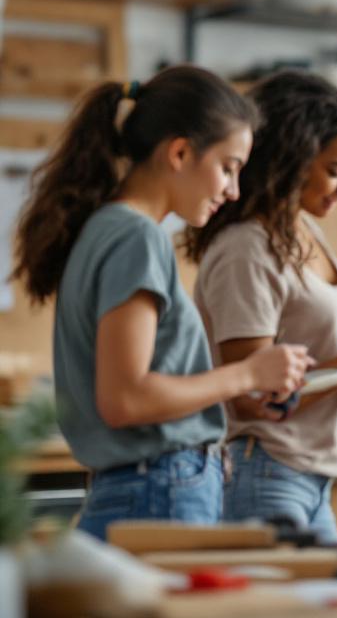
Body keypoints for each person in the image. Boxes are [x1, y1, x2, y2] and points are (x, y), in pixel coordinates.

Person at [10, 67, 309, 540]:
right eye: (228, 167)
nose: (233, 189)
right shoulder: (136, 236)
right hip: (162, 486)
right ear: (180, 152)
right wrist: (249, 374)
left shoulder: (107, 228)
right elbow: (125, 399)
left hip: (146, 484)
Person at [187, 71, 337, 543]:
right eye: (336, 170)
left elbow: (312, 372)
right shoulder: (247, 247)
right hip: (263, 473)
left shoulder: (303, 233)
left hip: (307, 478)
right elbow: (250, 395)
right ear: (290, 159)